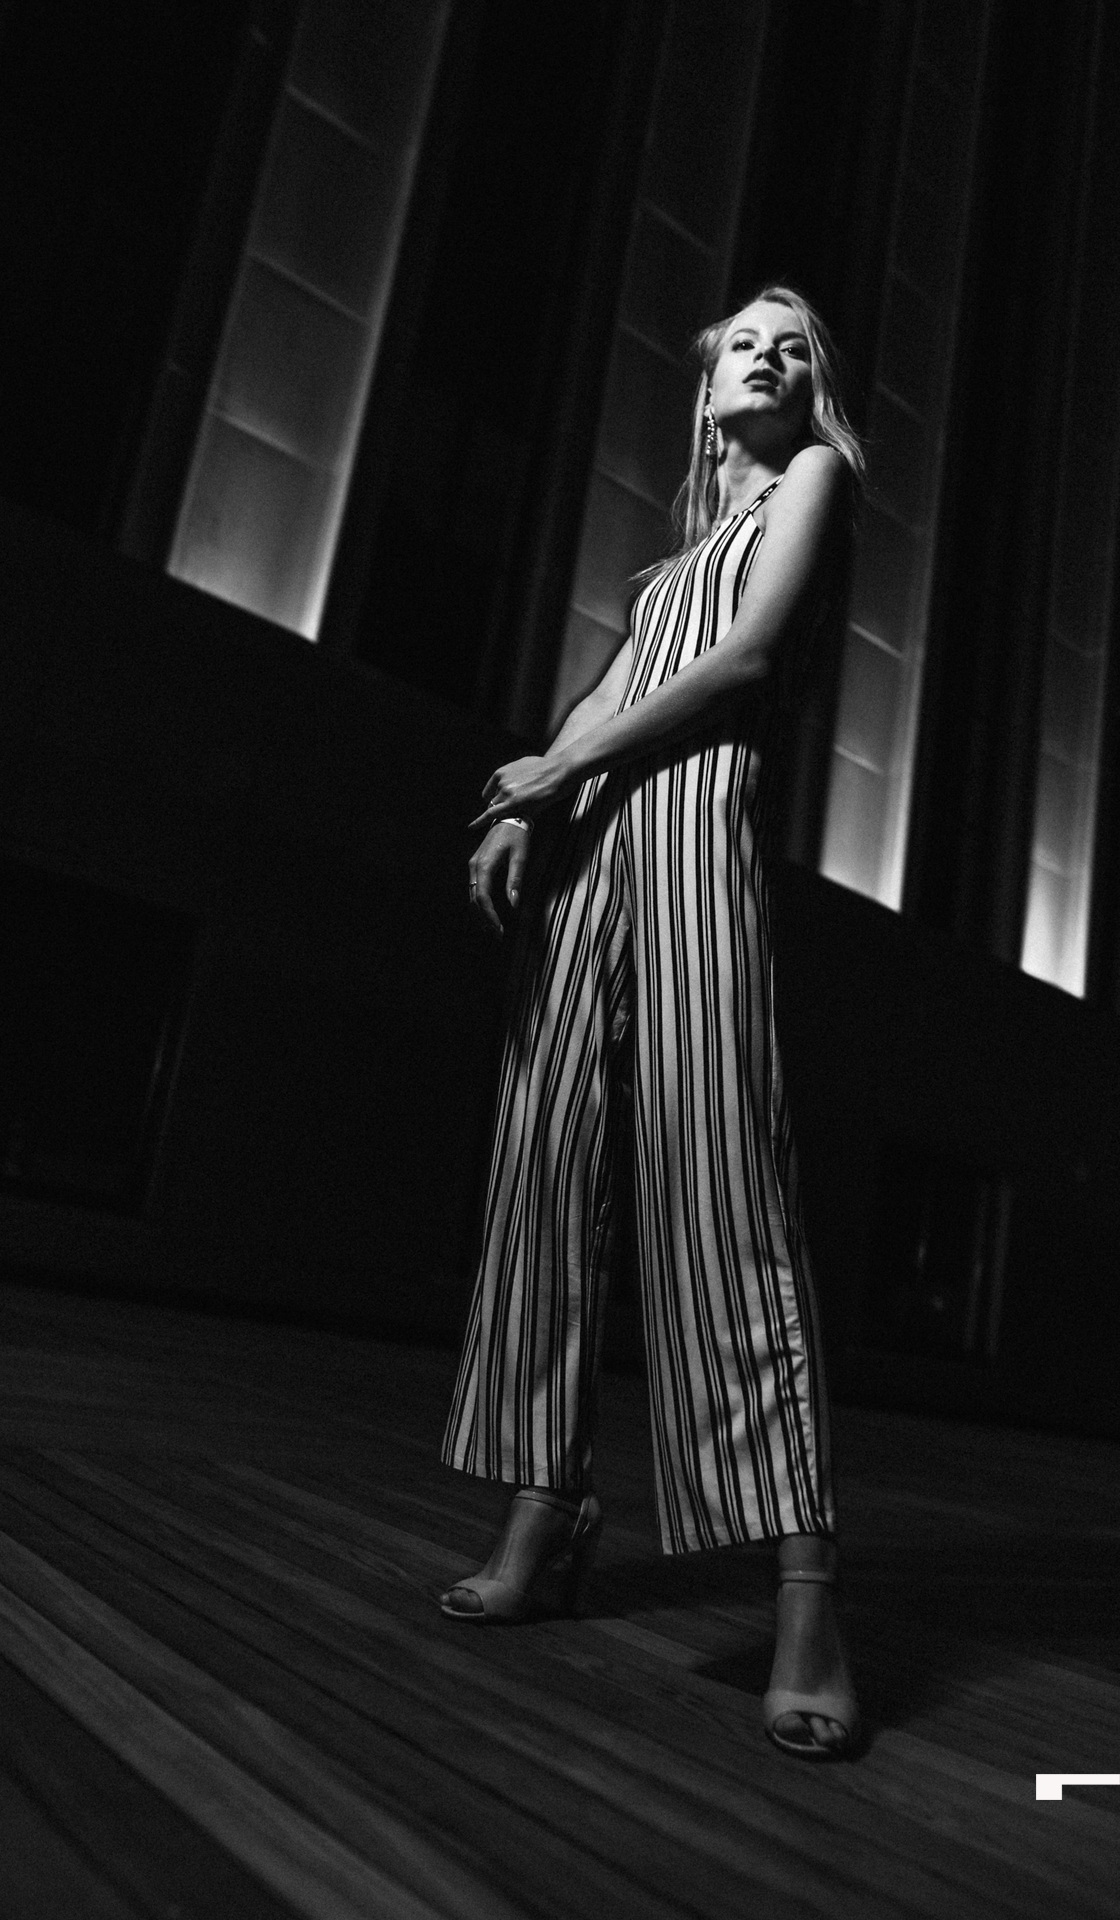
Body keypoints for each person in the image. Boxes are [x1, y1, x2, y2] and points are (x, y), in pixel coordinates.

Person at [439, 285, 864, 1761]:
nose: (771, 356)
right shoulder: (669, 561)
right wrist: (524, 805)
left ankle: (806, 1595)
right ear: (705, 387)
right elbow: (612, 691)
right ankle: (543, 1510)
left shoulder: (812, 481)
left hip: (694, 849)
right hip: (590, 865)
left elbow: (744, 666)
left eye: (795, 347)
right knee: (544, 1174)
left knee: (722, 1189)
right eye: (747, 340)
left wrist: (561, 775)